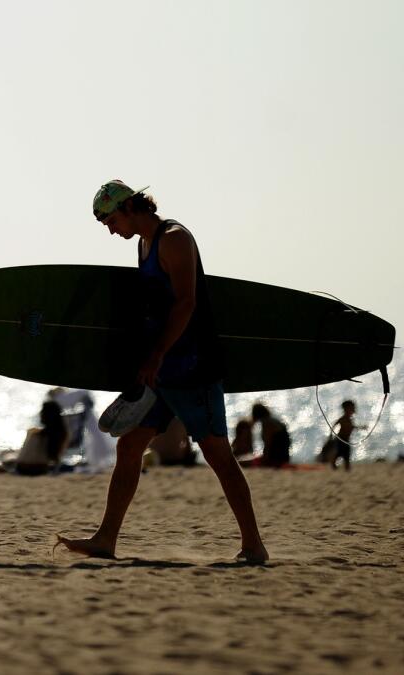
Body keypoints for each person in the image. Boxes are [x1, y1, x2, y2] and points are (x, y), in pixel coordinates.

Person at [57, 180, 268, 564]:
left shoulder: (174, 239)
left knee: (218, 454)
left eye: (110, 220)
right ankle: (106, 538)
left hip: (191, 366)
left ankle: (254, 543)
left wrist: (156, 355)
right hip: (160, 370)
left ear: (130, 208)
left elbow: (186, 304)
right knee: (129, 446)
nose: (109, 229)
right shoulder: (144, 244)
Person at [15, 400, 69, 475]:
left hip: (23, 468)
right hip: (41, 469)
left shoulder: (33, 432)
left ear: (44, 414)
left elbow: (24, 455)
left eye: (42, 411)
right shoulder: (61, 433)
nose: (40, 413)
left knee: (7, 455)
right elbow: (56, 457)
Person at [320, 400, 361, 470]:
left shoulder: (349, 419)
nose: (353, 410)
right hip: (341, 439)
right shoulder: (343, 418)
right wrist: (330, 435)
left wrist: (360, 427)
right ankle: (334, 464)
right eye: (351, 408)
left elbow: (351, 427)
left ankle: (346, 467)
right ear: (346, 409)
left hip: (346, 440)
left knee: (346, 454)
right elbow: (334, 425)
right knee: (340, 453)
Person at [249, 403, 291, 468]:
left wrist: (265, 457)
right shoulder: (273, 421)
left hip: (277, 457)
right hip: (284, 455)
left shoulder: (267, 423)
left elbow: (268, 442)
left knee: (254, 462)